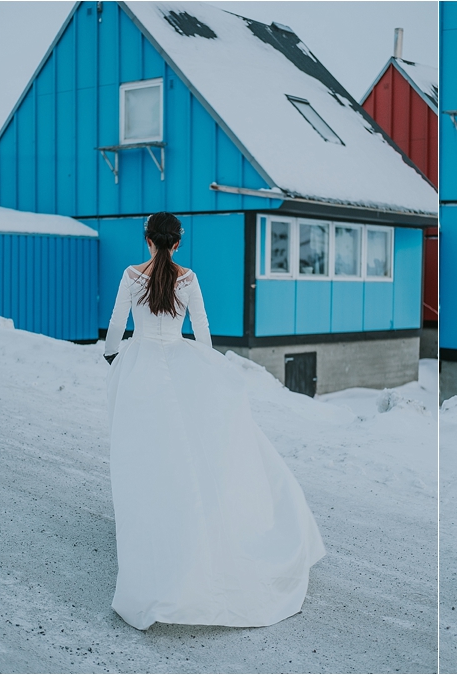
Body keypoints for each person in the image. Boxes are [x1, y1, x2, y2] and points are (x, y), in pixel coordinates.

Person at [104, 212, 325, 630]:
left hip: (141, 369)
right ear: (178, 242)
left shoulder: (132, 275)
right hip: (179, 360)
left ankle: (154, 529)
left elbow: (117, 324)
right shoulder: (188, 279)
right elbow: (201, 327)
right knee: (193, 450)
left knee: (146, 455)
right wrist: (205, 364)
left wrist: (111, 354)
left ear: (147, 240)